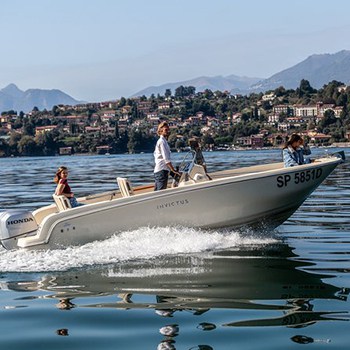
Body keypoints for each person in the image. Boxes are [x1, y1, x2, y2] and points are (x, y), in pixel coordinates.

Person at [153, 121, 181, 191]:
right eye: (166, 130)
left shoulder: (162, 141)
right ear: (160, 130)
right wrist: (173, 170)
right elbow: (166, 159)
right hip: (162, 171)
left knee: (157, 192)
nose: (167, 131)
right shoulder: (162, 142)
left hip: (159, 170)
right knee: (161, 193)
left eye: (168, 130)